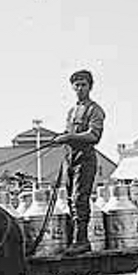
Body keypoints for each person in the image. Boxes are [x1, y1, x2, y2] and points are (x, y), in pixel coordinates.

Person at [53, 69, 105, 255]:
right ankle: (74, 239)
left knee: (79, 199)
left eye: (83, 84)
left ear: (90, 86)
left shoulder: (95, 110)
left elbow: (93, 135)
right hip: (70, 159)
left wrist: (68, 137)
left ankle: (82, 241)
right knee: (69, 200)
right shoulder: (72, 111)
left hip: (86, 159)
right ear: (72, 87)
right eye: (77, 85)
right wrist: (61, 137)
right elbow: (69, 134)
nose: (80, 88)